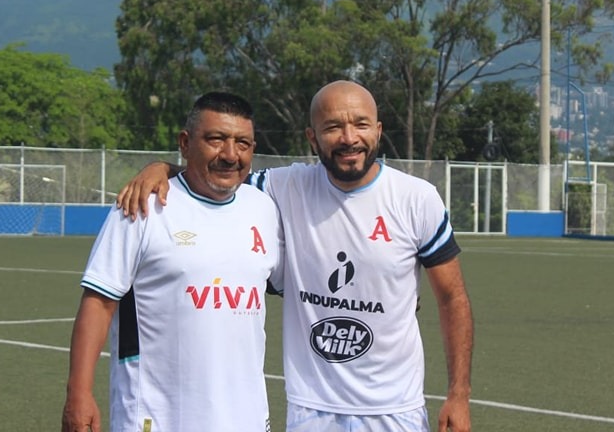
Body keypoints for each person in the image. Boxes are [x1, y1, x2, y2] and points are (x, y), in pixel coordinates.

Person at [117, 80, 473, 432]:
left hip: (396, 409)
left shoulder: (417, 199)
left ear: (378, 131)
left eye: (361, 124)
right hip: (310, 410)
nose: (349, 138)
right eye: (333, 127)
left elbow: (452, 298)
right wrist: (163, 168)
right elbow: (219, 173)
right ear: (312, 138)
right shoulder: (284, 186)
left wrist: (459, 395)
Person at [62, 91, 283, 432]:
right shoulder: (142, 205)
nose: (230, 154)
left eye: (243, 143)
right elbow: (98, 303)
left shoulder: (263, 208)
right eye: (215, 139)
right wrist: (78, 393)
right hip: (158, 417)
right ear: (185, 143)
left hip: (246, 418)